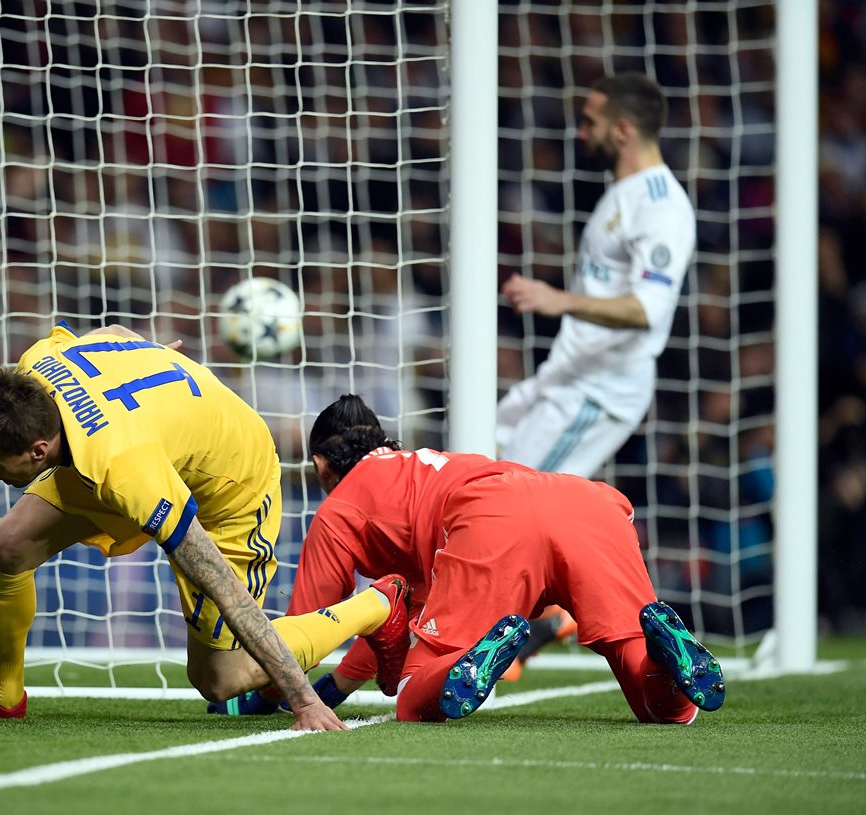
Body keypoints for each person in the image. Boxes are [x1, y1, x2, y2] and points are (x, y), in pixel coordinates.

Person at [0, 324, 410, 729]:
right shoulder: (36, 364)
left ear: (38, 449)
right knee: (4, 548)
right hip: (140, 443)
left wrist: (304, 700)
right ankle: (1, 694)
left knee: (219, 678)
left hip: (230, 484)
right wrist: (150, 357)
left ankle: (378, 605)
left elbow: (223, 586)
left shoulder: (125, 469)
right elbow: (118, 333)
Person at [219, 395, 725, 723]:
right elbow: (400, 613)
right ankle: (667, 653)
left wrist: (256, 697)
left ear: (320, 465)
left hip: (495, 522)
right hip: (588, 504)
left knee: (415, 696)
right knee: (658, 702)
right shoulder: (429, 465)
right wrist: (337, 688)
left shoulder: (339, 509)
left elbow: (303, 635)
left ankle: (469, 658)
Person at [497, 73, 697, 676]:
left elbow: (646, 309)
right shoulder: (622, 193)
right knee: (484, 461)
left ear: (624, 128)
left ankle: (503, 639)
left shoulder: (663, 208)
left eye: (589, 120)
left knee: (509, 498)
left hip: (598, 389)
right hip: (567, 375)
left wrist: (559, 300)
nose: (580, 131)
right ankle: (554, 611)